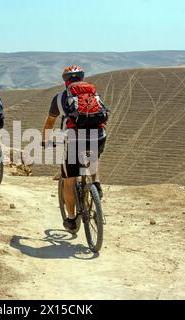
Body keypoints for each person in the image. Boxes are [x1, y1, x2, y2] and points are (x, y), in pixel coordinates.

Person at [42, 66, 108, 232]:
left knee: (69, 181)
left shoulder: (59, 98)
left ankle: (71, 220)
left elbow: (50, 122)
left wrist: (45, 141)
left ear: (65, 80)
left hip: (74, 138)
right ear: (82, 78)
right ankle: (96, 185)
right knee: (93, 158)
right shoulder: (93, 94)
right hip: (99, 135)